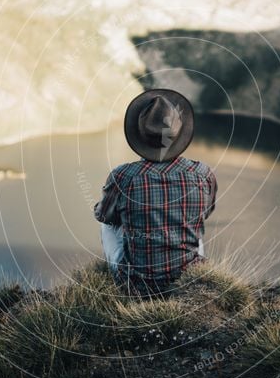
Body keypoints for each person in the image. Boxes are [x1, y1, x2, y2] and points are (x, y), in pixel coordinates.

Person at [93, 89, 217, 294]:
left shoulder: (124, 176)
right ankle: (184, 271)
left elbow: (104, 215)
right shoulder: (202, 173)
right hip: (188, 276)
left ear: (140, 134)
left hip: (137, 283)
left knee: (107, 227)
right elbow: (206, 211)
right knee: (194, 227)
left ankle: (132, 275)